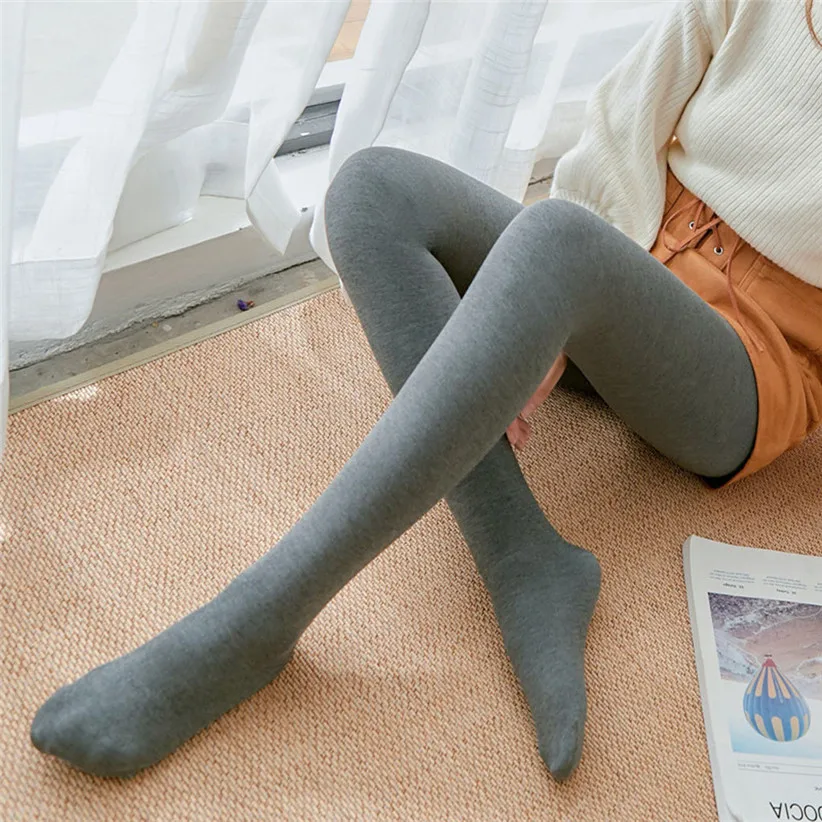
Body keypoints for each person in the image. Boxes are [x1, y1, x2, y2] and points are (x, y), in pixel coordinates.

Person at [30, 0, 822, 782]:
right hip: (631, 259)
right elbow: (626, 120)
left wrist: (575, 277)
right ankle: (522, 554)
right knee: (371, 188)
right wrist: (574, 304)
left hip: (747, 366)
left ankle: (258, 618)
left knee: (558, 242)